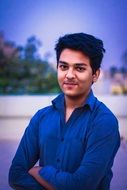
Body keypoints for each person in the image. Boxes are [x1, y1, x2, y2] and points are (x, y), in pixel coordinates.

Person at [9, 33, 120, 190]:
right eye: (63, 67)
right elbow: (15, 176)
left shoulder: (104, 122)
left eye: (79, 68)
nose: (69, 75)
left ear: (95, 74)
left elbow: (82, 186)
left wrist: (41, 172)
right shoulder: (41, 117)